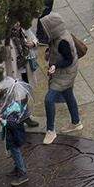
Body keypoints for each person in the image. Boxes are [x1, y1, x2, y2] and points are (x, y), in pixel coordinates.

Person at [36, 13, 82, 144]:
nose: (44, 32)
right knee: (68, 95)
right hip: (64, 72)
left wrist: (55, 65)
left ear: (52, 28)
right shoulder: (58, 37)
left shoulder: (62, 42)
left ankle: (51, 131)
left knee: (49, 99)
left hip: (64, 74)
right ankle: (76, 122)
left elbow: (68, 59)